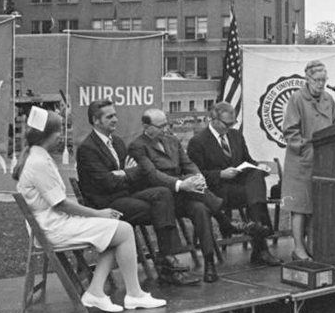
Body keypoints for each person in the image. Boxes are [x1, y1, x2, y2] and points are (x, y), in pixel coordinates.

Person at [15, 106, 166, 313]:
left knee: (115, 230)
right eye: (58, 132)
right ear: (46, 136)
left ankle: (96, 292)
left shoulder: (38, 156)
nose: (61, 137)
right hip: (51, 228)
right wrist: (98, 213)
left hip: (53, 223)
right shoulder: (39, 162)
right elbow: (61, 203)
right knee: (122, 230)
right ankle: (134, 294)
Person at [76, 99, 199, 286]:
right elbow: (107, 183)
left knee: (164, 193)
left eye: (115, 115)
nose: (115, 119)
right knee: (162, 209)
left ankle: (167, 259)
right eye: (110, 116)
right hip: (106, 204)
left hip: (126, 195)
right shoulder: (87, 148)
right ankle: (168, 264)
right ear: (96, 120)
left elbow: (138, 172)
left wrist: (123, 174)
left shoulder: (117, 142)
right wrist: (126, 173)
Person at [128, 108, 248, 283]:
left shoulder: (172, 140)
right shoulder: (138, 146)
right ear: (146, 126)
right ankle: (224, 220)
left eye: (166, 125)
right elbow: (152, 175)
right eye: (160, 126)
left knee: (200, 209)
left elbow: (188, 164)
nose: (165, 129)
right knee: (197, 196)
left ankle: (209, 264)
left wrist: (197, 176)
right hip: (160, 197)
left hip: (182, 195)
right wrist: (181, 184)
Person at [187, 101, 283, 267]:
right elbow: (196, 174)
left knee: (255, 176)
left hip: (239, 188)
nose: (230, 127)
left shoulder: (235, 135)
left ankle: (257, 230)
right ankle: (262, 239)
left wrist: (258, 166)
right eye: (227, 124)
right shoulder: (198, 142)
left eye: (233, 123)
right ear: (213, 120)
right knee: (255, 195)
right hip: (216, 191)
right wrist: (220, 174)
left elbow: (247, 160)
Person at [281, 60, 335, 261]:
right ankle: (298, 249)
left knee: (318, 207)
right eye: (317, 80)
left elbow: (334, 125)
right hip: (301, 162)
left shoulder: (329, 99)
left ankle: (315, 247)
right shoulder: (296, 99)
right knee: (300, 208)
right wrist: (307, 150)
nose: (321, 84)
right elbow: (290, 131)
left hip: (324, 161)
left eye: (324, 80)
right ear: (307, 79)